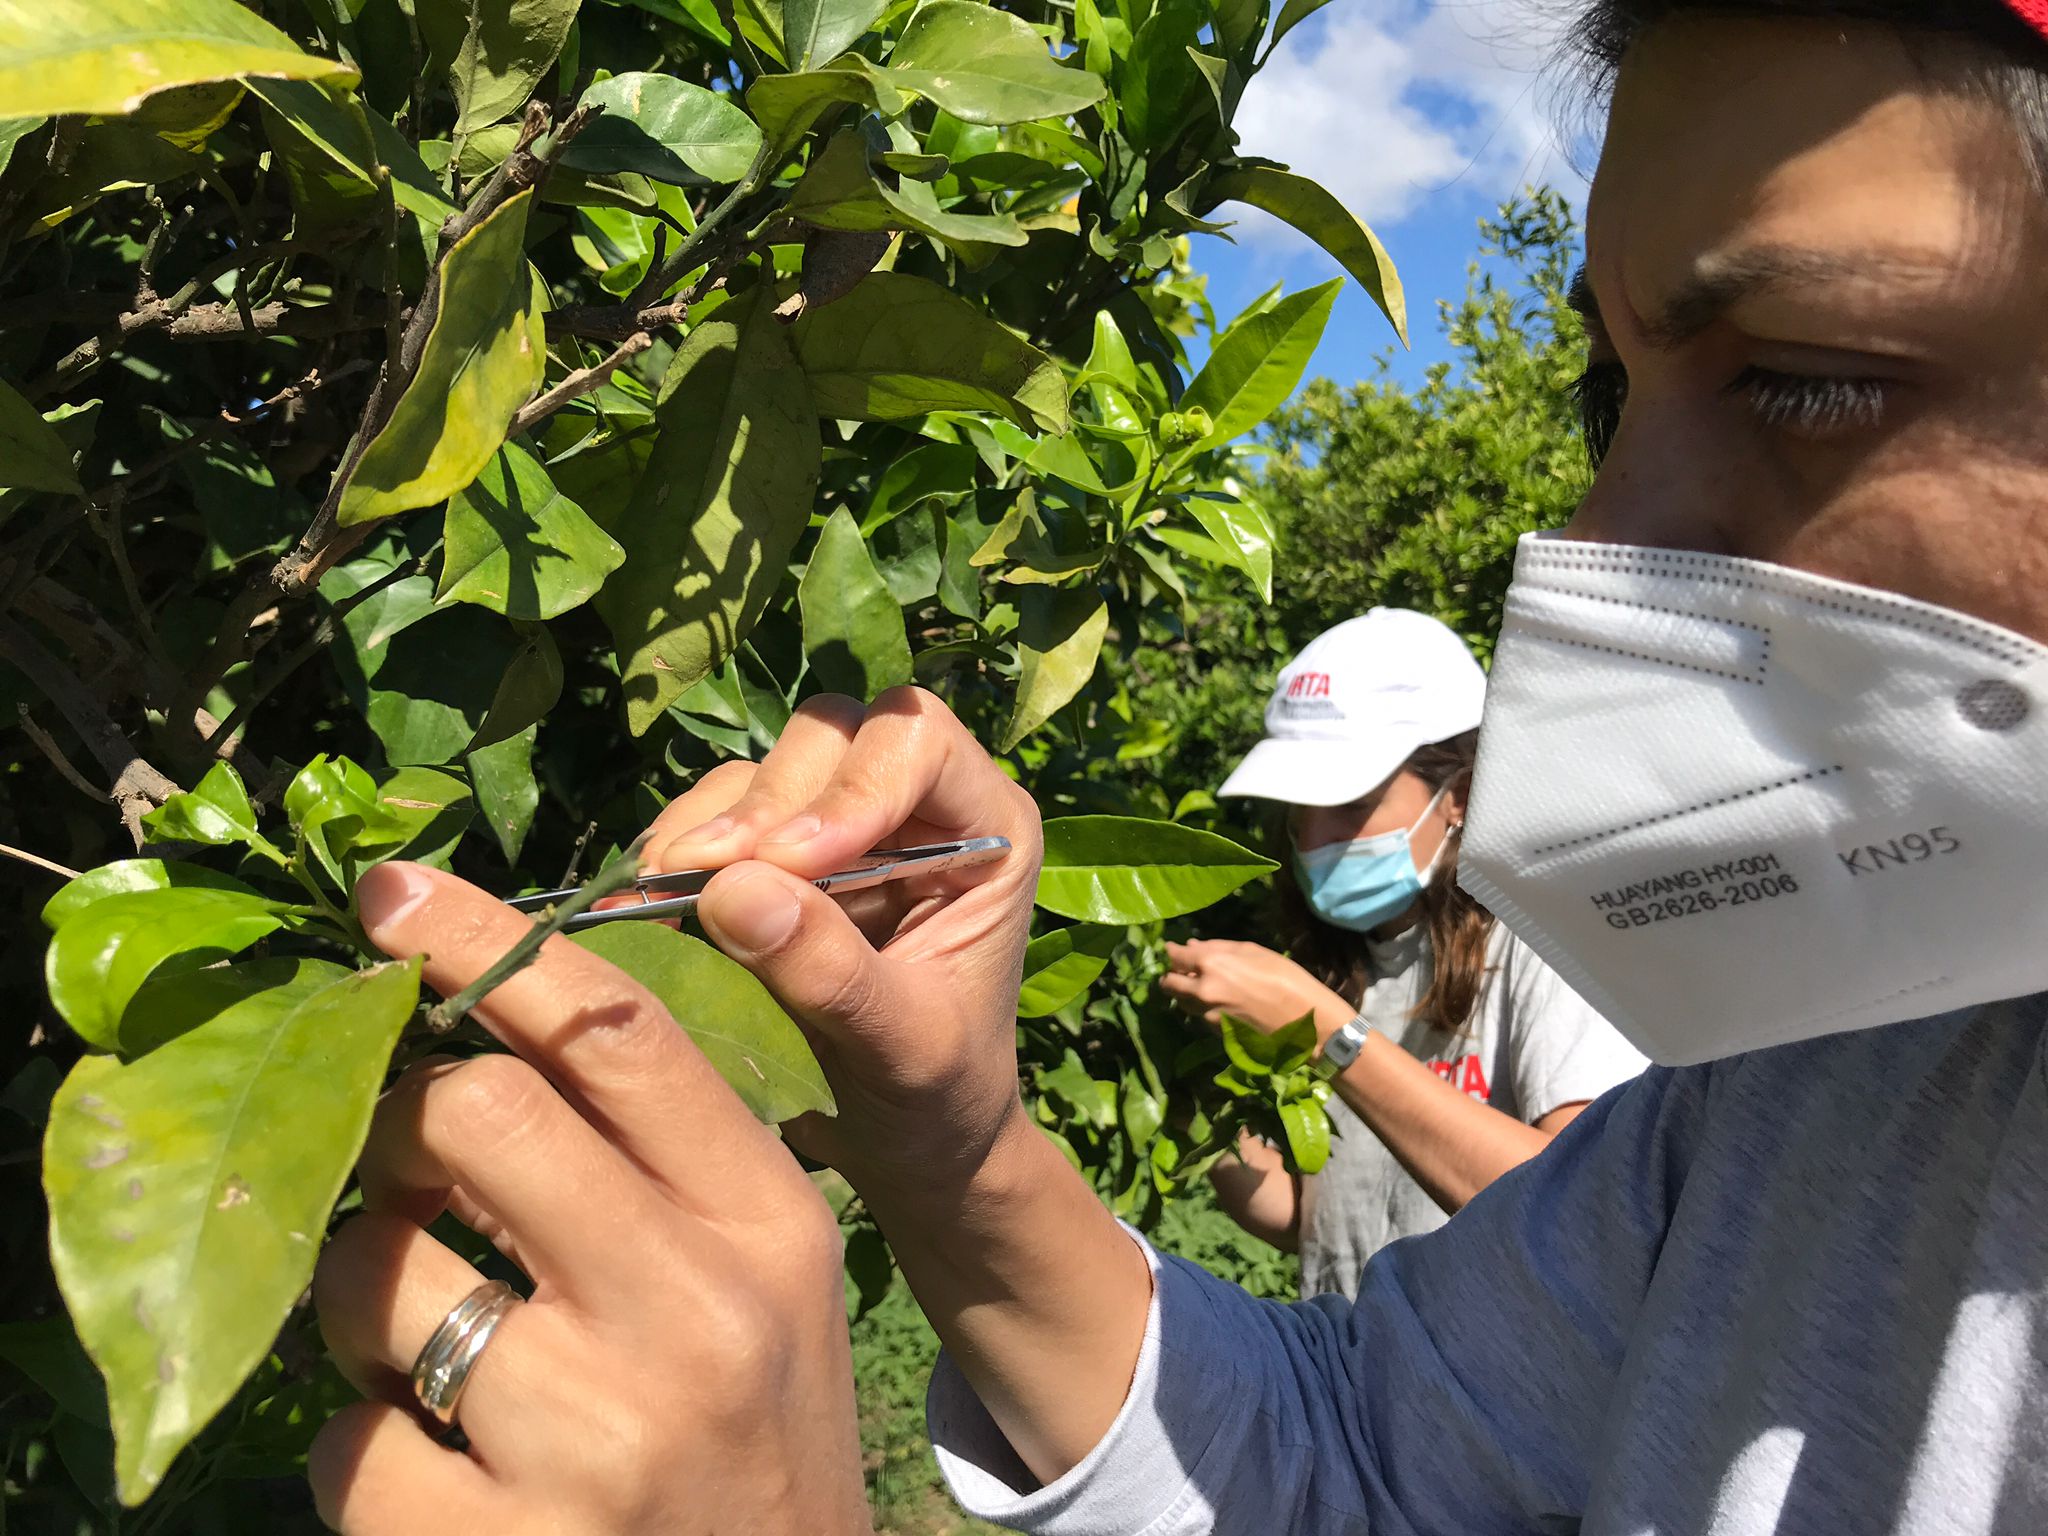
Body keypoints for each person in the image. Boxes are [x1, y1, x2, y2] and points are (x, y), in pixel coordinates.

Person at [304, 2, 2048, 1531]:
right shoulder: (1834, 1081)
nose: (1598, 540)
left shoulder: (1662, 989)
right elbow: (1365, 1457)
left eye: (1810, 382)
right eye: (1607, 392)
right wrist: (951, 1143)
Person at [1163, 609, 1644, 1295]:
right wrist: (1187, 1089)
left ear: (1462, 794)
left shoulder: (1549, 942)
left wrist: (1328, 1032)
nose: (1312, 836)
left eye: (1347, 800)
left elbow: (1575, 1205)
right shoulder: (1348, 960)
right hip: (1352, 1381)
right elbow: (1316, 1220)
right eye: (1299, 807)